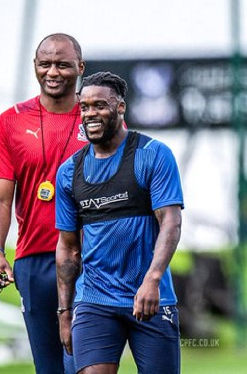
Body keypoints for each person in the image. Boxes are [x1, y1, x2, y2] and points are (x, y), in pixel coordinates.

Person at [55, 71, 184, 374]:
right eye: (84, 107)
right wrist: (64, 311)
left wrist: (152, 279)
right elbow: (68, 248)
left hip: (151, 297)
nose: (90, 114)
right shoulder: (69, 172)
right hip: (94, 300)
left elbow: (171, 223)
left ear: (120, 107)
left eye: (99, 105)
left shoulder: (153, 154)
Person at [0, 33, 87, 374]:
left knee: (87, 363)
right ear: (35, 66)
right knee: (50, 366)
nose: (53, 72)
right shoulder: (10, 121)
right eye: (45, 64)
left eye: (63, 64)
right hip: (35, 261)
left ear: (80, 68)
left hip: (89, 258)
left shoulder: (97, 117)